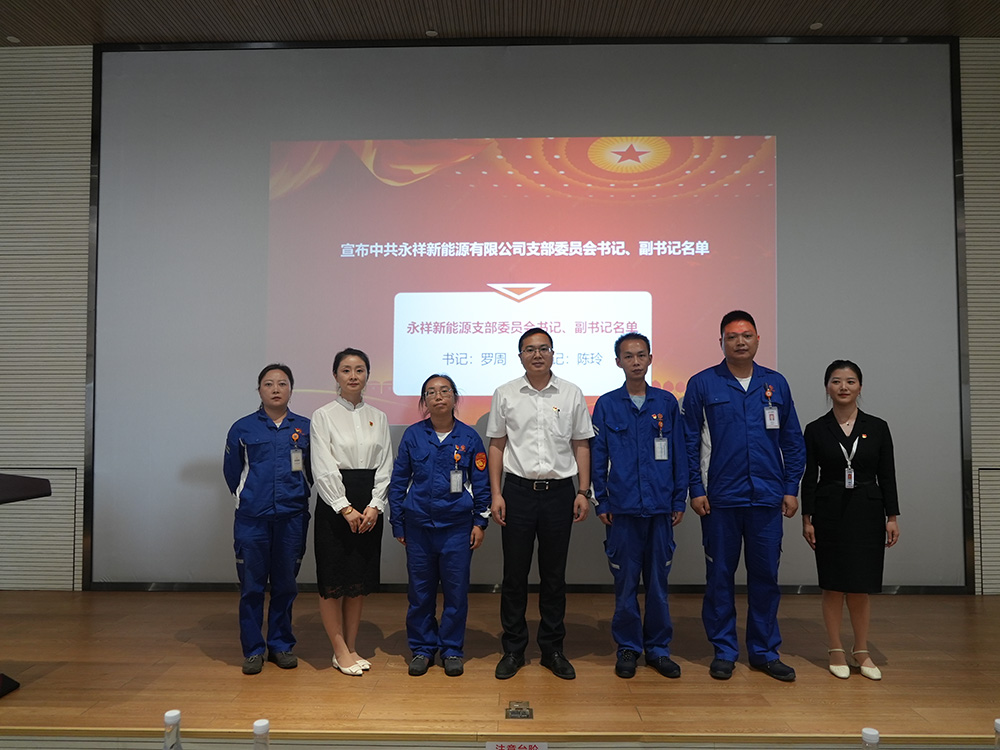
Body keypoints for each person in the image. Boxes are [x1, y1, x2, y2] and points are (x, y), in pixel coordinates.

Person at [681, 310, 805, 682]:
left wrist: (790, 488)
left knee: (765, 577)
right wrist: (695, 489)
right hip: (719, 499)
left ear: (757, 340)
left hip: (767, 497)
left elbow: (792, 440)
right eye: (732, 336)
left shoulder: (776, 383)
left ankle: (764, 651)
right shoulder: (703, 384)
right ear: (721, 342)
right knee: (719, 577)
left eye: (746, 335)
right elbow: (689, 443)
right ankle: (724, 650)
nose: (740, 342)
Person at [487, 327, 595, 680]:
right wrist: (496, 494)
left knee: (554, 576)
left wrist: (583, 491)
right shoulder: (505, 393)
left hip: (560, 493)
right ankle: (514, 649)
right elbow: (497, 445)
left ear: (553, 353)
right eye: (530, 349)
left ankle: (552, 649)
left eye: (544, 348)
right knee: (514, 575)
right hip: (517, 492)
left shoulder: (570, 392)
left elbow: (581, 443)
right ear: (520, 356)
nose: (537, 354)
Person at [591, 333, 688, 679]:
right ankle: (628, 648)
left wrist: (679, 498)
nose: (635, 361)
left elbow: (678, 454)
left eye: (641, 355)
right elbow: (598, 456)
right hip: (622, 510)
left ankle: (658, 649)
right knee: (626, 584)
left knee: (658, 585)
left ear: (650, 359)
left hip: (660, 508)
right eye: (628, 356)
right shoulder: (606, 404)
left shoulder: (666, 403)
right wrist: (601, 500)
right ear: (618, 361)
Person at [801, 359, 900, 681]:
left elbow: (887, 475)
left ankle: (861, 650)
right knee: (833, 585)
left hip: (867, 511)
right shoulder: (816, 429)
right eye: (836, 381)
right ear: (827, 387)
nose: (843, 387)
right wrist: (807, 518)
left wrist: (892, 516)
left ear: (860, 387)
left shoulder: (878, 426)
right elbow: (809, 477)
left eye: (850, 381)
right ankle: (835, 649)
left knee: (860, 585)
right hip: (829, 511)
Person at [388, 374, 490, 677]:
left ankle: (452, 649)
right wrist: (398, 523)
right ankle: (422, 649)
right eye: (431, 392)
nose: (438, 396)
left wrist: (480, 523)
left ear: (455, 397)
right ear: (424, 401)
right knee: (420, 593)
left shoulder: (470, 437)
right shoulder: (413, 435)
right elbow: (398, 481)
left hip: (457, 528)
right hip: (419, 527)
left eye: (444, 390)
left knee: (456, 593)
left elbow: (481, 484)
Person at [223, 364, 312, 675]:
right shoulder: (242, 428)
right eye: (269, 384)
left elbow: (314, 471)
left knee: (286, 585)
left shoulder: (305, 428)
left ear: (291, 389)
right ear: (259, 389)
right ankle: (253, 650)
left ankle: (280, 645)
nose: (276, 389)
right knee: (252, 587)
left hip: (292, 518)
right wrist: (247, 498)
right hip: (253, 520)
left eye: (282, 383)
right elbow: (232, 472)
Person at [311, 348, 393, 676]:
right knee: (333, 579)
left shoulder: (379, 416)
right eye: (346, 370)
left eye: (360, 369)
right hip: (336, 504)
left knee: (358, 579)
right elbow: (322, 465)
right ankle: (339, 649)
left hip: (369, 504)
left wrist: (375, 505)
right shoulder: (323, 415)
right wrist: (344, 507)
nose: (353, 376)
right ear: (336, 376)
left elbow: (386, 464)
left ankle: (352, 645)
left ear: (367, 375)